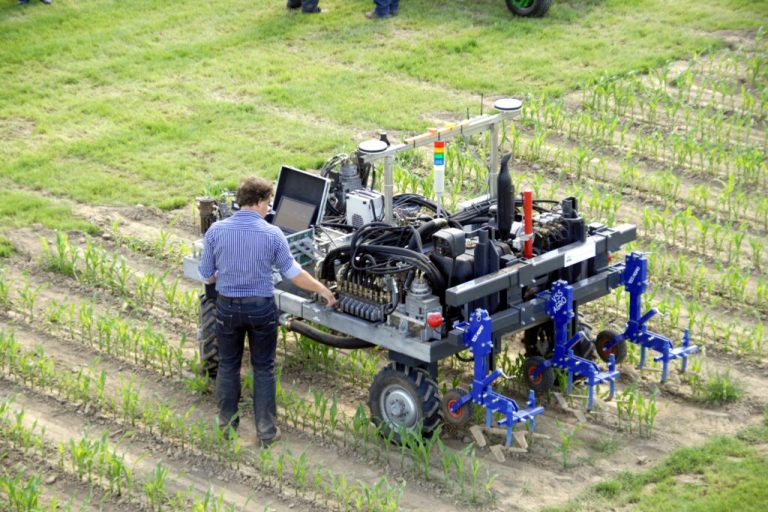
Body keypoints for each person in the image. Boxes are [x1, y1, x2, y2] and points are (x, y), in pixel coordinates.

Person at [198, 176, 336, 447]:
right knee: (263, 368)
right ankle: (266, 432)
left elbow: (206, 274)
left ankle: (227, 427)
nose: (269, 208)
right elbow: (293, 273)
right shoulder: (272, 234)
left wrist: (225, 276)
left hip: (227, 308)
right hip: (260, 309)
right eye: (268, 203)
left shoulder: (216, 231)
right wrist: (323, 289)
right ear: (260, 201)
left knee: (228, 365)